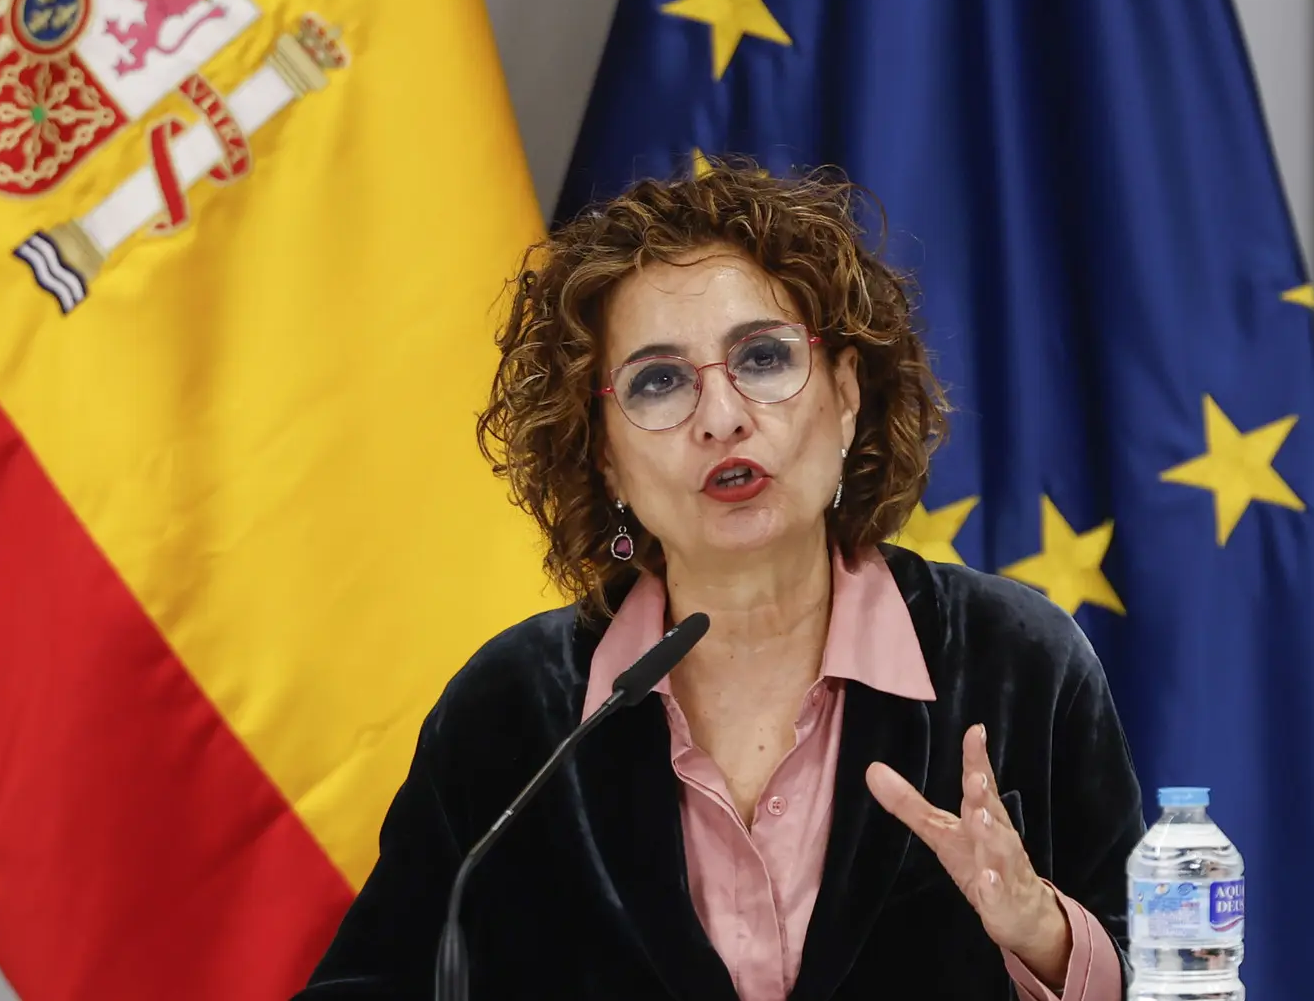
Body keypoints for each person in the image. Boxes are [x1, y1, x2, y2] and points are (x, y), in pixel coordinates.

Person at [298, 164, 1146, 1000]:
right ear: (603, 454)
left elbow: (1172, 976)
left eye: (764, 358)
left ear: (846, 392)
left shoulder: (1014, 661)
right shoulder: (515, 710)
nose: (723, 417)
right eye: (659, 381)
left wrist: (1042, 934)